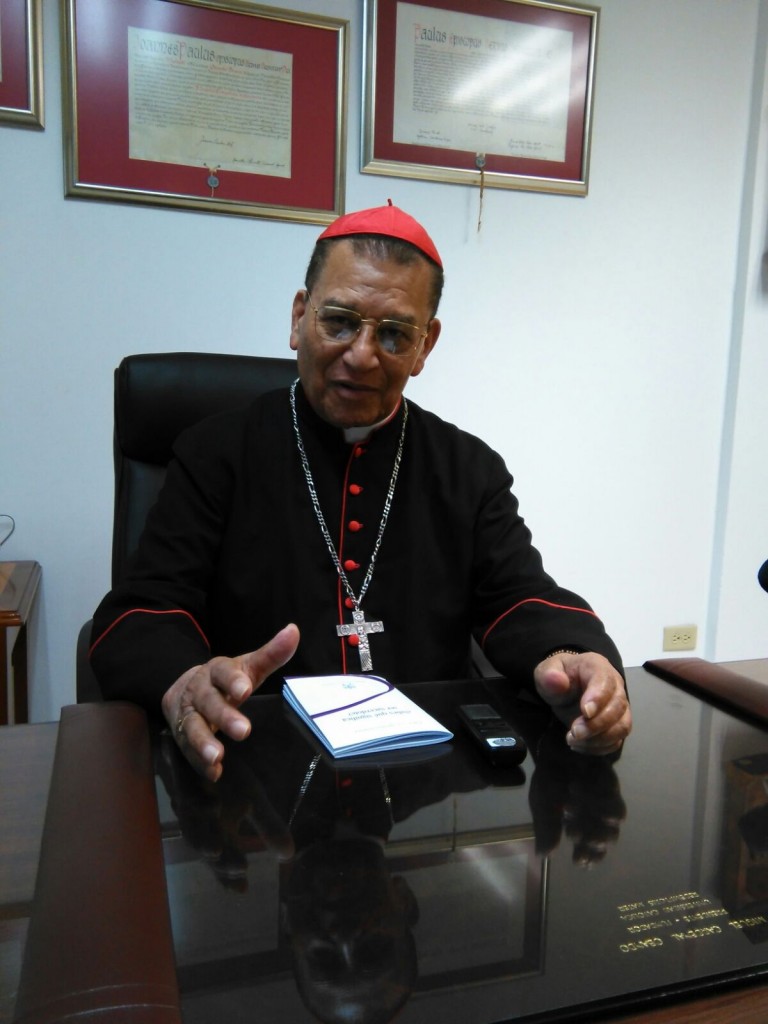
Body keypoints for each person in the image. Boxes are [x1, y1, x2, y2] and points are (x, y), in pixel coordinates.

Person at [90, 202, 632, 782]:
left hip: (420, 785)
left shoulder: (468, 469)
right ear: (300, 317)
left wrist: (575, 658)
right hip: (254, 778)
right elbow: (145, 611)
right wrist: (186, 681)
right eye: (340, 320)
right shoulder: (215, 452)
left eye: (395, 334)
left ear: (426, 346)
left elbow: (519, 597)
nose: (361, 355)